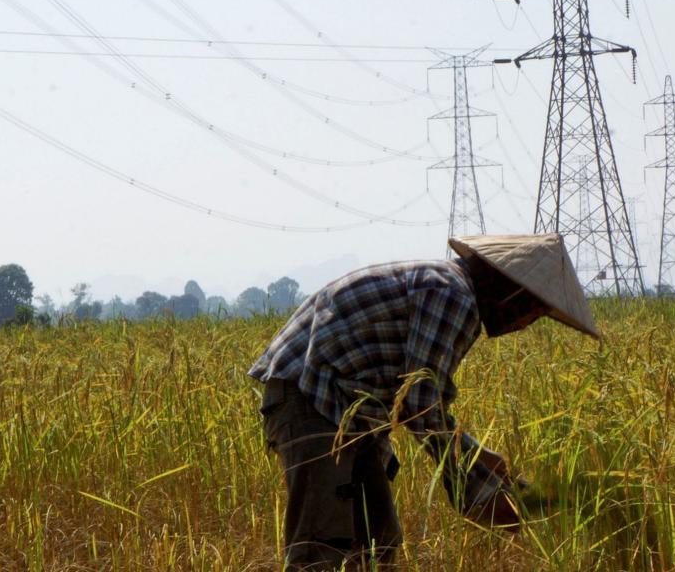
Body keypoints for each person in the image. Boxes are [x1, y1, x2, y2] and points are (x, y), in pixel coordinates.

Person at [249, 234, 599, 570]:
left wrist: (480, 458)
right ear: (513, 293)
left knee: (378, 541)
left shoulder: (450, 288)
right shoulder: (453, 296)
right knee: (321, 547)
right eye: (532, 312)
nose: (524, 325)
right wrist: (479, 493)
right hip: (311, 397)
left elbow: (418, 398)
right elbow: (419, 405)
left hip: (343, 409)